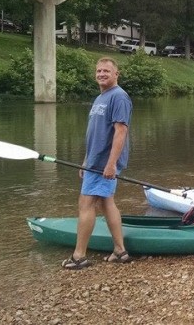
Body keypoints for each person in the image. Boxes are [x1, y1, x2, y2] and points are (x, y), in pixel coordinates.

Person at [62, 57, 133, 270]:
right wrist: (86, 160)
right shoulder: (101, 97)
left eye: (107, 71)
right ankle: (120, 251)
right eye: (99, 71)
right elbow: (95, 133)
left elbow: (121, 131)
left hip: (104, 163)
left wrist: (111, 164)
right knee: (105, 202)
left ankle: (79, 256)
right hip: (95, 161)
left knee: (86, 204)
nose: (102, 74)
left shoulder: (119, 97)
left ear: (116, 74)